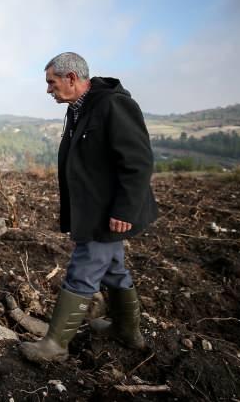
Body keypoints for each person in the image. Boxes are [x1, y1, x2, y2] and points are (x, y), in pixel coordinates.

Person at [20, 52, 158, 363]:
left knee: (83, 271)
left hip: (108, 212)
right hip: (95, 208)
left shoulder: (112, 105)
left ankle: (55, 345)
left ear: (71, 78)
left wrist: (125, 209)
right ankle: (127, 331)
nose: (48, 90)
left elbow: (138, 162)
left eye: (51, 83)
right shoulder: (80, 108)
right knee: (113, 268)